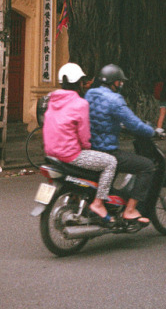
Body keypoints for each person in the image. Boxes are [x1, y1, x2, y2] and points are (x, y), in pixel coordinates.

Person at [43, 63, 118, 225]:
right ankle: (98, 203)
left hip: (51, 153)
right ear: (78, 83)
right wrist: (88, 146)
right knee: (110, 162)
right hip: (70, 155)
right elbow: (84, 137)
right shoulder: (80, 104)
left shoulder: (52, 99)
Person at [85, 64, 156, 225]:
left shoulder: (90, 94)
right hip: (107, 152)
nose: (121, 84)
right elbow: (133, 124)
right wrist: (152, 131)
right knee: (147, 166)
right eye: (119, 81)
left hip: (91, 149)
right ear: (114, 82)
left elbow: (99, 117)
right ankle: (130, 210)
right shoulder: (115, 99)